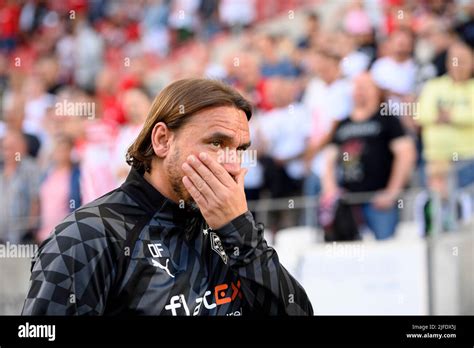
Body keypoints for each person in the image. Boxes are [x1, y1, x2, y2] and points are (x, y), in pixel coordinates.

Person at [22, 78, 313, 316]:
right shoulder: (86, 237)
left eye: (239, 150)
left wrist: (240, 232)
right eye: (216, 143)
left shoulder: (232, 233)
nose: (232, 164)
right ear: (162, 140)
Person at [321, 73, 416, 240]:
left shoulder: (387, 120)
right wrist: (331, 190)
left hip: (379, 204)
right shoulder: (344, 123)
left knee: (384, 251)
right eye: (357, 87)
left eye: (365, 87)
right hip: (350, 204)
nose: (359, 91)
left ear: (376, 92)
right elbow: (328, 159)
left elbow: (406, 154)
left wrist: (392, 192)